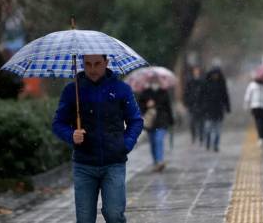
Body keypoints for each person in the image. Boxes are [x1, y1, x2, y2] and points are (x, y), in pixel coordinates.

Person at [52, 55, 143, 223]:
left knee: (114, 214)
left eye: (97, 64)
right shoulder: (73, 91)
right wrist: (71, 134)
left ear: (106, 63)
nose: (92, 69)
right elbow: (58, 124)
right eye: (87, 64)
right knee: (85, 218)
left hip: (114, 163)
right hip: (84, 165)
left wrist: (126, 144)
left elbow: (136, 121)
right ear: (82, 64)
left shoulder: (121, 89)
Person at [138, 79, 174, 172]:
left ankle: (159, 161)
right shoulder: (145, 93)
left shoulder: (163, 92)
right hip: (150, 122)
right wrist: (147, 105)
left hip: (162, 121)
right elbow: (140, 107)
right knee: (153, 143)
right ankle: (156, 162)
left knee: (159, 140)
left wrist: (171, 121)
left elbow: (168, 107)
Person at [201, 68, 230, 152]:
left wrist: (227, 107)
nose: (215, 76)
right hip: (208, 110)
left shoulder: (221, 84)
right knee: (208, 128)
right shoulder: (206, 84)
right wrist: (202, 107)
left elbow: (225, 96)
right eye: (214, 74)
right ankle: (208, 141)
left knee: (218, 129)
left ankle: (216, 144)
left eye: (217, 74)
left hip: (218, 110)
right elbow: (202, 96)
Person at [243, 78, 263, 146]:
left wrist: (246, 104)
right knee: (262, 123)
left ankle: (261, 138)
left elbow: (248, 95)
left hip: (256, 106)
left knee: (259, 122)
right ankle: (262, 137)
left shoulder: (252, 85)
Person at [183, 66, 205, 146]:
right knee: (192, 122)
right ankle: (194, 136)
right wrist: (187, 102)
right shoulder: (190, 82)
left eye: (197, 71)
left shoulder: (202, 81)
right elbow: (186, 93)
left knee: (201, 122)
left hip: (201, 105)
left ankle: (201, 137)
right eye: (195, 71)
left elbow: (205, 93)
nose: (196, 72)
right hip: (192, 105)